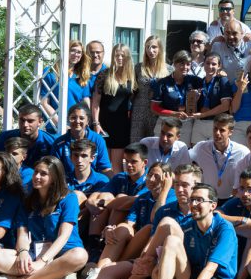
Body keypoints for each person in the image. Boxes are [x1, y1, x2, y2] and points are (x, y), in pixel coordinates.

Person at [28, 164, 203, 279]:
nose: (179, 189)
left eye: (185, 185)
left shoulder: (204, 213)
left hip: (179, 273)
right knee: (108, 270)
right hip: (151, 266)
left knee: (166, 224)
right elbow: (152, 237)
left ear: (197, 186)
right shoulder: (166, 208)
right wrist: (143, 261)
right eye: (177, 184)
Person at [129, 182, 241, 279]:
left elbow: (210, 270)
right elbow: (170, 259)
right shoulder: (189, 226)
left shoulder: (224, 229)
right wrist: (157, 266)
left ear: (213, 206)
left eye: (199, 200)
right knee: (172, 239)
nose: (194, 204)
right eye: (192, 200)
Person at [0, 156, 88, 279]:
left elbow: (64, 236)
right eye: (36, 172)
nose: (37, 176)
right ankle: (55, 276)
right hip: (36, 253)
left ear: (54, 177)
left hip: (64, 253)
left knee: (80, 256)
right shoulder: (28, 199)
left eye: (43, 174)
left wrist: (42, 262)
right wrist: (23, 253)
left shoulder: (69, 198)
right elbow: (22, 233)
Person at [78, 161, 175, 279]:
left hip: (152, 247)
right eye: (150, 175)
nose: (151, 179)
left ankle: (108, 272)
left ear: (166, 179)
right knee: (122, 228)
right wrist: (112, 229)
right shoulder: (142, 198)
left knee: (148, 228)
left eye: (157, 177)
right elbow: (130, 223)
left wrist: (165, 190)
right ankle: (98, 272)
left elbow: (156, 218)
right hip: (137, 243)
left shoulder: (172, 196)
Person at [91, 44, 135, 174]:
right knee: (102, 163)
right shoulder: (104, 75)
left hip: (122, 125)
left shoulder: (131, 77)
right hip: (104, 123)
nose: (120, 58)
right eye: (117, 55)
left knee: (117, 165)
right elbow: (95, 102)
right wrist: (96, 123)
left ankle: (116, 191)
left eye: (123, 55)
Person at [188, 114, 250, 202]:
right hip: (206, 199)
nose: (217, 133)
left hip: (232, 200)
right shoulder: (201, 147)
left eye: (222, 130)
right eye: (215, 128)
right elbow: (185, 160)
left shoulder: (242, 152)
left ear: (230, 132)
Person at [150, 50, 204, 146]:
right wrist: (174, 114)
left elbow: (209, 81)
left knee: (181, 154)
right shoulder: (163, 83)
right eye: (182, 64)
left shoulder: (194, 80)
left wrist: (220, 74)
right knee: (160, 153)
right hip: (165, 122)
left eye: (188, 64)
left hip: (185, 124)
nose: (185, 67)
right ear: (174, 64)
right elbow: (154, 108)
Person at [0, 103, 55, 167]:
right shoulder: (6, 137)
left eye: (30, 121)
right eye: (22, 120)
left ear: (40, 122)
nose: (25, 125)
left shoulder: (50, 142)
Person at [130, 34, 172, 142]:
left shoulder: (169, 70)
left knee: (155, 144)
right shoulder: (138, 68)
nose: (150, 50)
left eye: (154, 47)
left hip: (158, 112)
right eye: (148, 47)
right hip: (139, 110)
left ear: (160, 49)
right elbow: (132, 90)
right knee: (136, 144)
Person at [52, 103, 112, 177]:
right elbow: (54, 169)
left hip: (93, 184)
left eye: (81, 118)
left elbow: (105, 168)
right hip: (68, 184)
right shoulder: (59, 143)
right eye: (73, 118)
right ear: (68, 119)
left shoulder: (98, 140)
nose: (77, 121)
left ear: (88, 121)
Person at [39, 39, 86, 132]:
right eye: (72, 50)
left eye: (79, 52)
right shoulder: (50, 72)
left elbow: (84, 102)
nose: (76, 54)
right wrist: (60, 124)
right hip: (54, 127)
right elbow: (44, 103)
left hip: (77, 126)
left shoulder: (81, 75)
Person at [189, 54, 235, 146]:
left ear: (219, 66)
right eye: (207, 63)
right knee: (196, 154)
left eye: (214, 64)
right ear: (203, 65)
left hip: (217, 123)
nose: (210, 66)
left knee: (215, 153)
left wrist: (204, 114)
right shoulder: (199, 82)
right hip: (199, 123)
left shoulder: (223, 80)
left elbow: (225, 106)